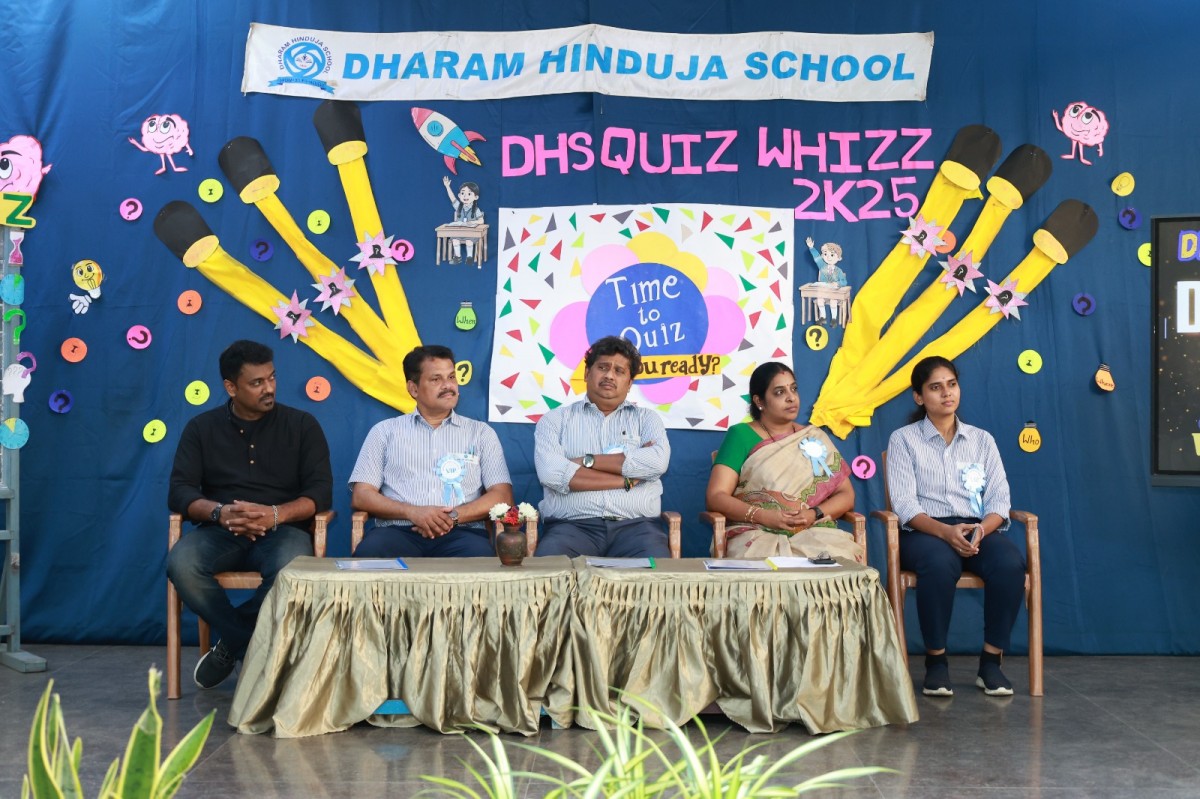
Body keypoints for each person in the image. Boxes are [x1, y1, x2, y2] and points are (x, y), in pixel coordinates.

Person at [167, 340, 333, 689]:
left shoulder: (302, 425)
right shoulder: (201, 428)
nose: (269, 388)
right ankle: (247, 643)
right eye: (257, 382)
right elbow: (180, 492)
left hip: (283, 530)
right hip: (221, 530)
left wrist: (275, 514)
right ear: (231, 387)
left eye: (272, 378)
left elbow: (320, 493)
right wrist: (219, 512)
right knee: (182, 564)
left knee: (293, 568)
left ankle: (229, 645)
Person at [886, 355, 1026, 697]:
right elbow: (904, 505)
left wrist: (982, 530)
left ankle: (991, 663)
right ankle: (936, 662)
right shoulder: (903, 440)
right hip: (924, 530)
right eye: (935, 387)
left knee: (1009, 563)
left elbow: (999, 500)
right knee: (938, 562)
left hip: (978, 529)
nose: (946, 393)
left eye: (951, 384)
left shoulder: (982, 440)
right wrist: (945, 532)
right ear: (919, 397)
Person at [350, 344, 512, 558]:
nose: (448, 386)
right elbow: (361, 496)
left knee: (479, 561)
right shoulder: (384, 432)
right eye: (436, 379)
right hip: (397, 531)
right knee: (369, 555)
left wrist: (452, 517)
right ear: (413, 389)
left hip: (461, 532)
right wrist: (412, 512)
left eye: (451, 377)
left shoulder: (481, 433)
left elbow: (502, 495)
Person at [704, 362, 863, 563]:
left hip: (811, 531)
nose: (791, 397)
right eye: (779, 392)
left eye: (793, 389)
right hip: (756, 531)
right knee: (763, 567)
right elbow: (716, 496)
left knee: (839, 561)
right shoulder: (740, 435)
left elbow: (846, 495)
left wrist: (814, 514)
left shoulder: (813, 437)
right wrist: (763, 516)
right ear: (759, 401)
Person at [534, 336, 670, 558]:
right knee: (549, 571)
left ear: (629, 383)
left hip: (637, 529)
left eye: (619, 371)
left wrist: (586, 461)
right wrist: (626, 480)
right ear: (587, 373)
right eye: (603, 367)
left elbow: (657, 462)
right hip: (571, 528)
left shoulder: (646, 419)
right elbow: (552, 473)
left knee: (657, 575)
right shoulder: (555, 420)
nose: (609, 375)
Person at [805, 236, 848, 325]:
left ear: (838, 258)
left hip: (834, 294)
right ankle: (823, 317)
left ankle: (834, 319)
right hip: (823, 292)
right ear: (823, 256)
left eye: (832, 255)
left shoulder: (839, 271)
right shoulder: (822, 266)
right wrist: (811, 248)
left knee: (833, 301)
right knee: (820, 300)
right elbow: (816, 258)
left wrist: (837, 283)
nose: (828, 257)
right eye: (825, 254)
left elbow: (844, 282)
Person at [441, 176, 484, 264]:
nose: (465, 196)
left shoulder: (476, 209)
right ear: (459, 195)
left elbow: (481, 221)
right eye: (463, 193)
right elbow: (452, 198)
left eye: (469, 194)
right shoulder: (458, 207)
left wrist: (473, 222)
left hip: (471, 234)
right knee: (455, 241)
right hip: (459, 233)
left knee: (469, 242)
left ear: (476, 197)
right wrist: (447, 186)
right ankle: (457, 258)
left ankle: (469, 258)